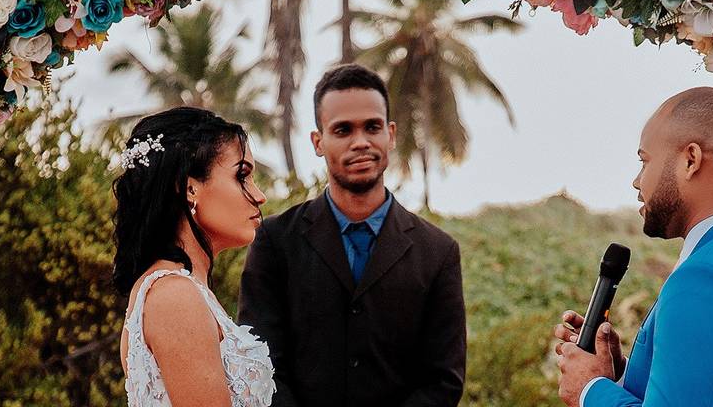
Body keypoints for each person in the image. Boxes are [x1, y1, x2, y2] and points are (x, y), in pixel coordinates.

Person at [554, 87, 713, 407]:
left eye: (644, 160)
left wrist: (588, 389)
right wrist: (617, 376)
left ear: (690, 160)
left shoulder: (705, 278)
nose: (637, 181)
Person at [238, 63, 466, 407]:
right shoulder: (274, 241)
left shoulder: (438, 251)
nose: (360, 142)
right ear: (318, 141)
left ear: (390, 134)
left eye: (372, 127)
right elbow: (262, 366)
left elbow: (443, 380)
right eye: (343, 130)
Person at [113, 107, 276, 406]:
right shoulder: (174, 296)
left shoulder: (183, 290)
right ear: (190, 188)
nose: (259, 195)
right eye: (242, 176)